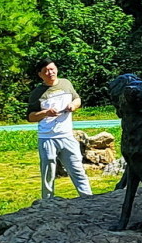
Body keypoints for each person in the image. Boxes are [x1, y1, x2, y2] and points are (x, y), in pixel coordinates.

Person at [26, 58, 93, 202]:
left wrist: (73, 105)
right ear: (40, 75)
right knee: (48, 172)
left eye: (52, 69)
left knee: (77, 169)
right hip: (47, 138)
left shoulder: (66, 83)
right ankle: (47, 202)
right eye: (46, 71)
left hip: (67, 136)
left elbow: (77, 99)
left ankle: (89, 200)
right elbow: (30, 117)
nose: (50, 73)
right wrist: (45, 113)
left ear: (56, 69)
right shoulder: (37, 93)